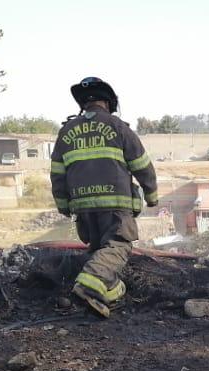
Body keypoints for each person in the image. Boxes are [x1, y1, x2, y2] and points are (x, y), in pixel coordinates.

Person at [51, 77, 159, 318]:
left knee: (99, 248)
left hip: (83, 207)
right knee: (118, 246)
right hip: (115, 205)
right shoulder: (118, 127)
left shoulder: (66, 132)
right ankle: (90, 283)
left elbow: (57, 174)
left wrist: (63, 205)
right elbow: (142, 165)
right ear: (108, 103)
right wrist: (151, 196)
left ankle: (107, 293)